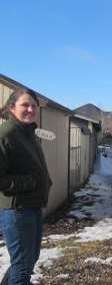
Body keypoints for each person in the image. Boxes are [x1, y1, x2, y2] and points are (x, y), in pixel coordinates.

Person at [0, 88, 52, 284]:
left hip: (32, 205)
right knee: (22, 268)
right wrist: (28, 182)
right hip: (17, 209)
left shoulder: (27, 131)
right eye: (25, 105)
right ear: (12, 107)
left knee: (28, 261)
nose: (30, 109)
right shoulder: (6, 134)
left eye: (33, 106)